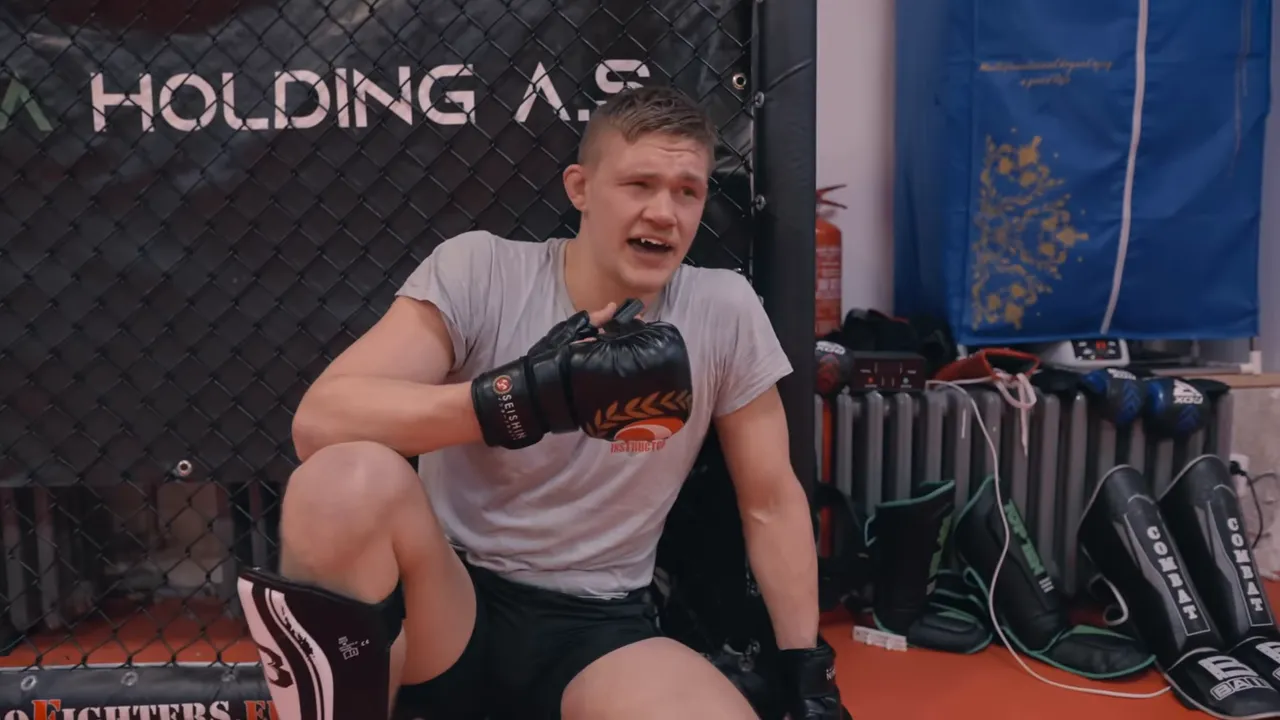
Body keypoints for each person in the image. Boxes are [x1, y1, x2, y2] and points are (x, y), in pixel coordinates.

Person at [236, 84, 842, 720]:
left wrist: (806, 669)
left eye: (686, 191)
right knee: (341, 481)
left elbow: (771, 500)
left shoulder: (722, 309)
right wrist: (521, 399)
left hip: (600, 629)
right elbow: (321, 421)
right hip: (450, 606)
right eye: (639, 184)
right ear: (580, 188)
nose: (665, 212)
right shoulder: (483, 271)